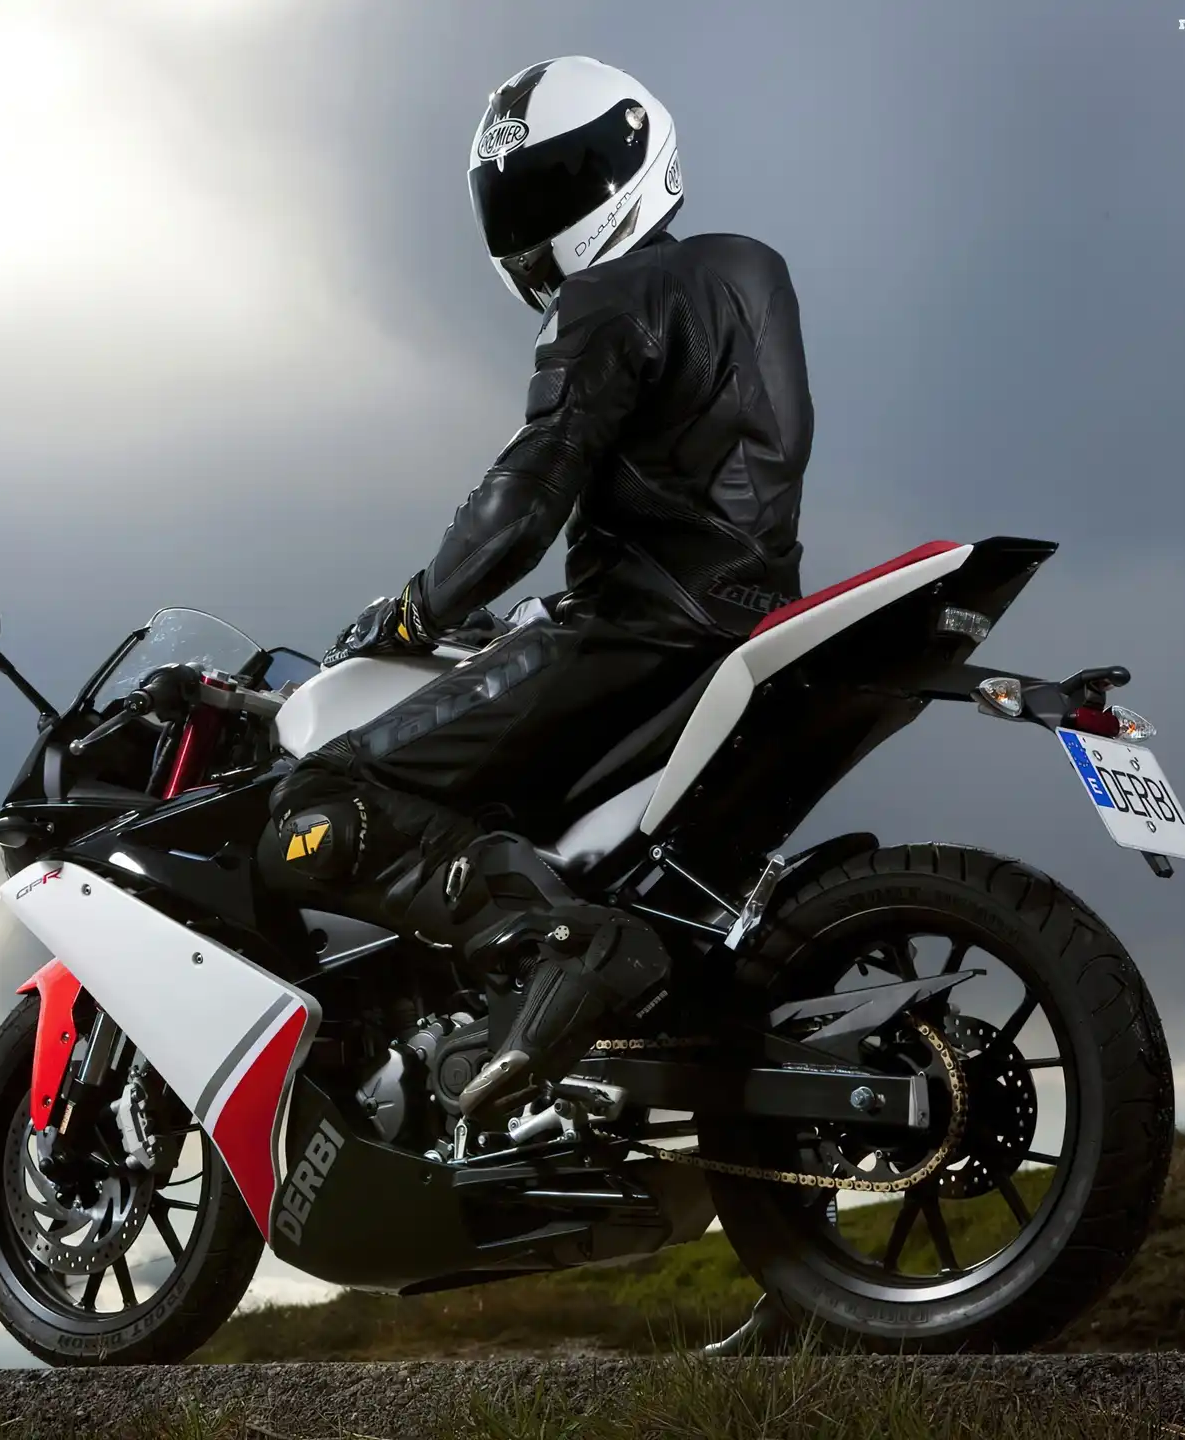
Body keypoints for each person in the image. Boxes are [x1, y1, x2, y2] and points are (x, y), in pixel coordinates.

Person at [265, 56, 815, 1122]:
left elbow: (526, 496)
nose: (534, 222)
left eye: (558, 183)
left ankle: (568, 945)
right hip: (744, 619)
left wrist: (420, 608)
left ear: (631, 159)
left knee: (320, 800)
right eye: (518, 196)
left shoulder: (607, 299)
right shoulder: (752, 272)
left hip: (632, 629)